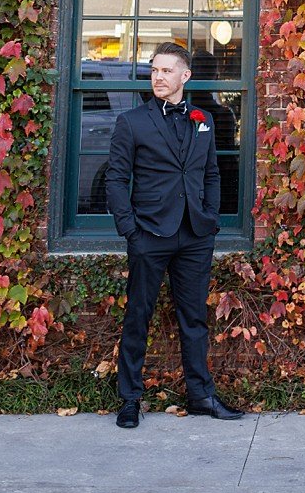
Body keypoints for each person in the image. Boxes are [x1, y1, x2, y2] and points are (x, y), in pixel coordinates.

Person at [104, 42, 244, 429]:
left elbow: (211, 173)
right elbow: (116, 179)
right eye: (154, 71)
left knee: (194, 319)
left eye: (166, 71)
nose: (158, 77)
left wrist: (211, 219)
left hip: (195, 235)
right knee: (138, 317)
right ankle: (130, 399)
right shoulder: (132, 122)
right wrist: (130, 230)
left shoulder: (203, 119)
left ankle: (200, 395)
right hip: (148, 233)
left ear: (185, 76)